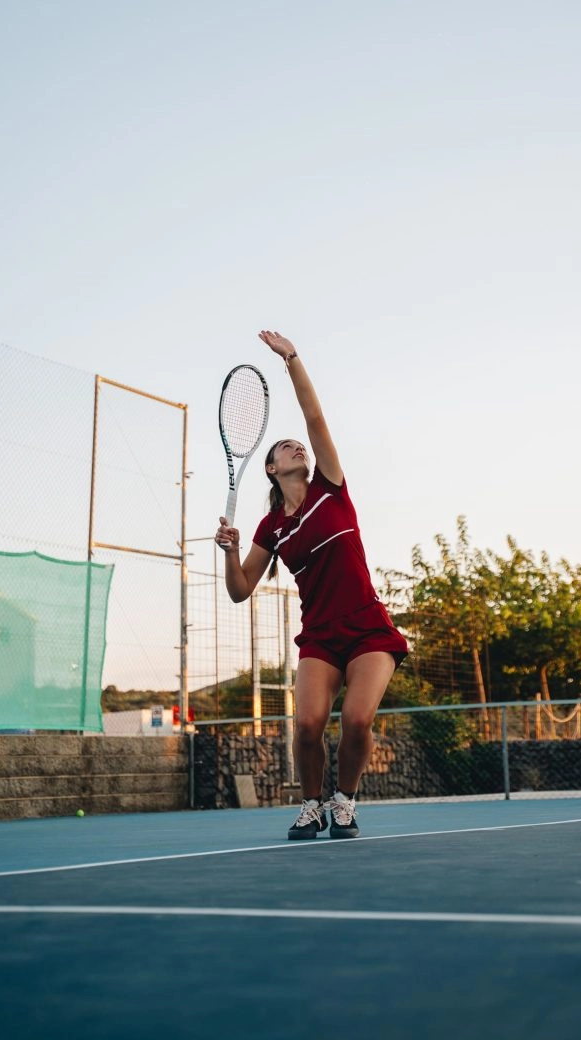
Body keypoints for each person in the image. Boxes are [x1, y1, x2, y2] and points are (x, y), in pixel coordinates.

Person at [214, 330, 408, 840]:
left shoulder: (332, 487)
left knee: (358, 721)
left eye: (298, 444)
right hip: (320, 636)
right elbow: (239, 590)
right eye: (285, 447)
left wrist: (292, 358)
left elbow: (314, 417)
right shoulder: (270, 528)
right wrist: (231, 550)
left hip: (367, 628)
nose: (297, 445)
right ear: (272, 468)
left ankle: (344, 801)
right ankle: (310, 805)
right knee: (307, 725)